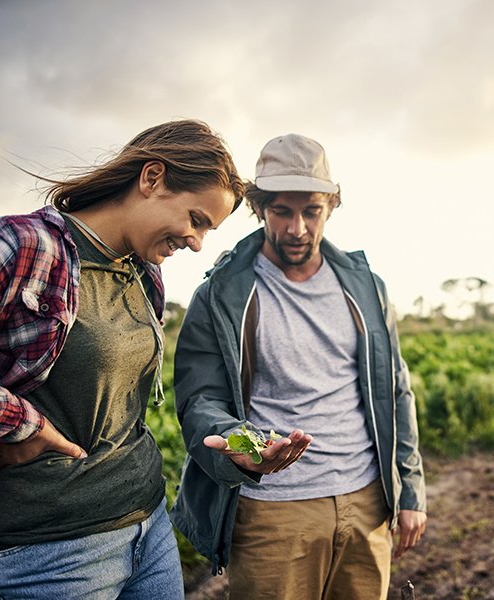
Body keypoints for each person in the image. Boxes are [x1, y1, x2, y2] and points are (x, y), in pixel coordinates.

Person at [171, 133, 427, 599]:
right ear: (258, 208)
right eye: (282, 211)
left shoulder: (367, 285)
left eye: (311, 211)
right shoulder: (220, 293)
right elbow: (199, 399)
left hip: (367, 501)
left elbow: (396, 389)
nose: (297, 228)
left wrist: (408, 491)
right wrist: (236, 443)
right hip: (272, 511)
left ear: (331, 205)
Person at [0, 119, 244, 599]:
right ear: (152, 179)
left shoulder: (144, 272)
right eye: (196, 219)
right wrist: (23, 422)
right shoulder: (24, 246)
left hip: (148, 528)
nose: (197, 242)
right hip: (47, 554)